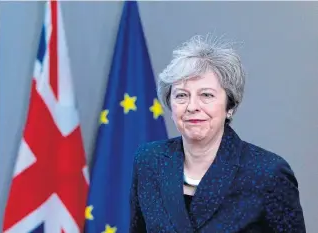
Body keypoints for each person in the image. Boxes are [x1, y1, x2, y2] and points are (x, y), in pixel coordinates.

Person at [129, 34, 306, 233]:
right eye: (181, 95)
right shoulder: (148, 161)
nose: (192, 106)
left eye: (206, 95)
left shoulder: (267, 173)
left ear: (229, 106)